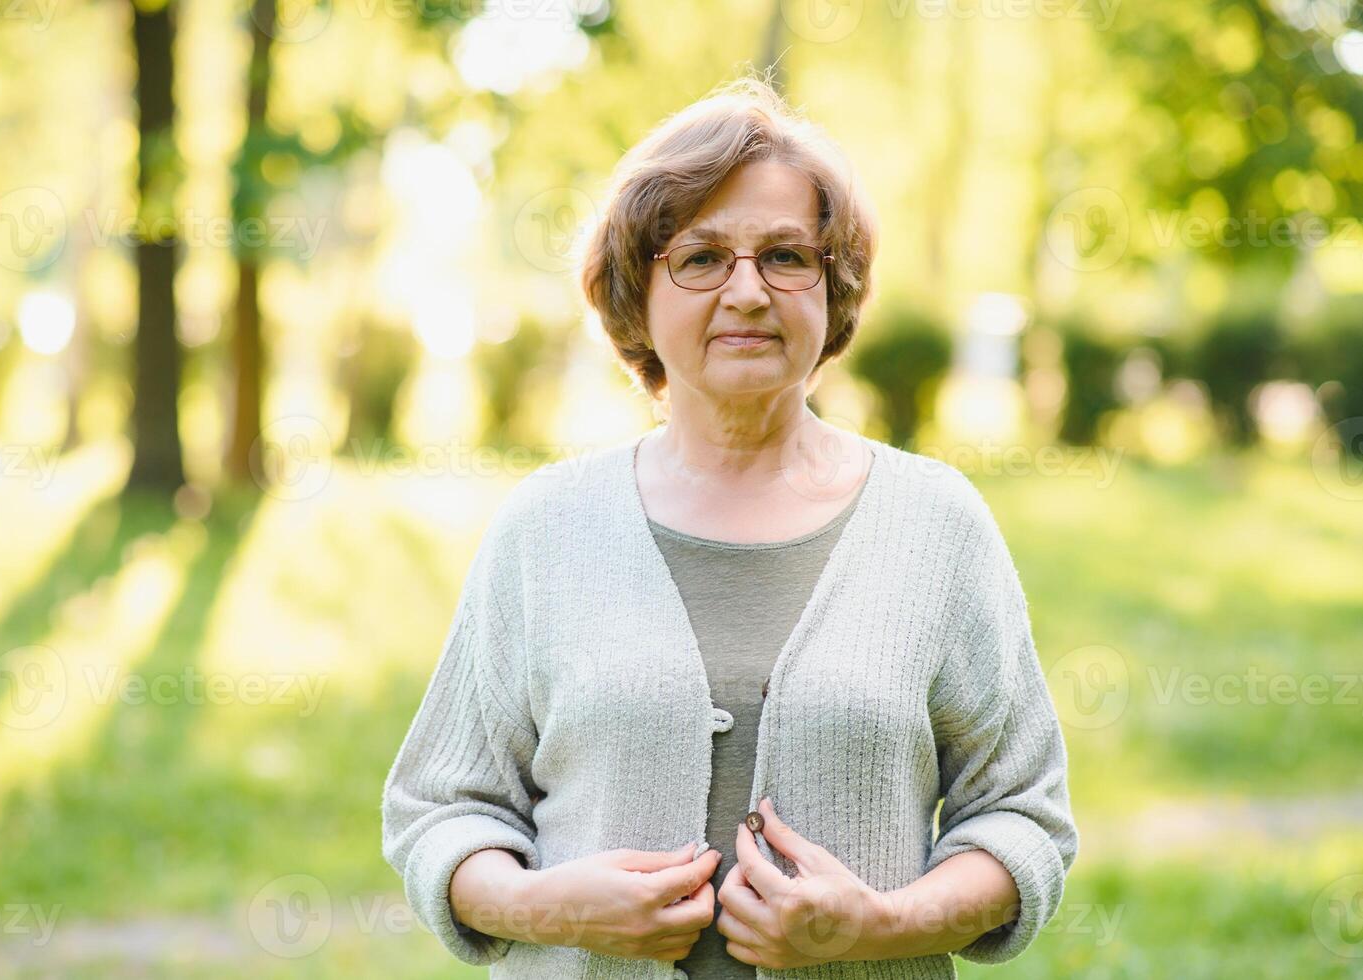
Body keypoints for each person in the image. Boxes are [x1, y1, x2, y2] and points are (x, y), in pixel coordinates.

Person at [382, 75, 1078, 980]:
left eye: (786, 257)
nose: (747, 292)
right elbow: (440, 811)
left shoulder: (935, 525)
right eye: (701, 257)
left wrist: (883, 924)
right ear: (637, 291)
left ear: (834, 290)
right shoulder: (544, 529)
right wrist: (545, 903)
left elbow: (1020, 815)